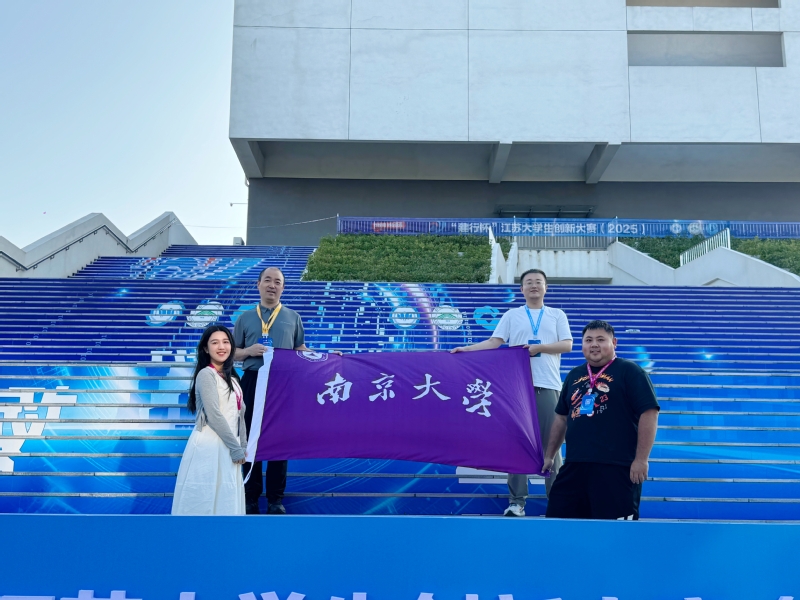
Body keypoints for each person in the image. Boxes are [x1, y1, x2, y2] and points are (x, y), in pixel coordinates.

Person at [452, 268, 573, 517]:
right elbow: (494, 342)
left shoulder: (556, 314)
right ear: (522, 289)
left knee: (552, 447)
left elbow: (567, 345)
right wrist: (467, 349)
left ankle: (557, 503)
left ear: (546, 287)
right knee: (518, 445)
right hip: (517, 387)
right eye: (529, 282)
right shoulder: (512, 315)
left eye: (538, 282)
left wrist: (539, 348)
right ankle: (517, 502)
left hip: (549, 385)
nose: (534, 286)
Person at [542, 320, 660, 520]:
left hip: (616, 467)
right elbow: (561, 418)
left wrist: (641, 460)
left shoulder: (630, 371)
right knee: (559, 523)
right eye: (588, 340)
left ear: (614, 342)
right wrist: (549, 456)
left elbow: (649, 413)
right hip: (575, 465)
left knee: (614, 531)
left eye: (600, 340)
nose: (594, 345)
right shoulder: (574, 374)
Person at [233, 266, 309, 515]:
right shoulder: (245, 318)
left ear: (283, 287)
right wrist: (248, 351)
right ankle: (250, 497)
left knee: (280, 439)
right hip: (252, 381)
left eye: (277, 282)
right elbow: (232, 353)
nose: (272, 285)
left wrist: (329, 358)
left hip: (282, 384)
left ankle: (276, 499)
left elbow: (300, 350)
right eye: (267, 280)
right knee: (249, 439)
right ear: (258, 284)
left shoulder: (293, 317)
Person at [172, 325, 247, 515]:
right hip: (209, 445)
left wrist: (242, 445)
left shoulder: (233, 379)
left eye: (226, 342)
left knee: (226, 499)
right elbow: (213, 415)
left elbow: (240, 415)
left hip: (229, 446)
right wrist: (236, 447)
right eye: (215, 343)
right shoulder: (206, 374)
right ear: (206, 348)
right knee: (202, 500)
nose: (221, 347)